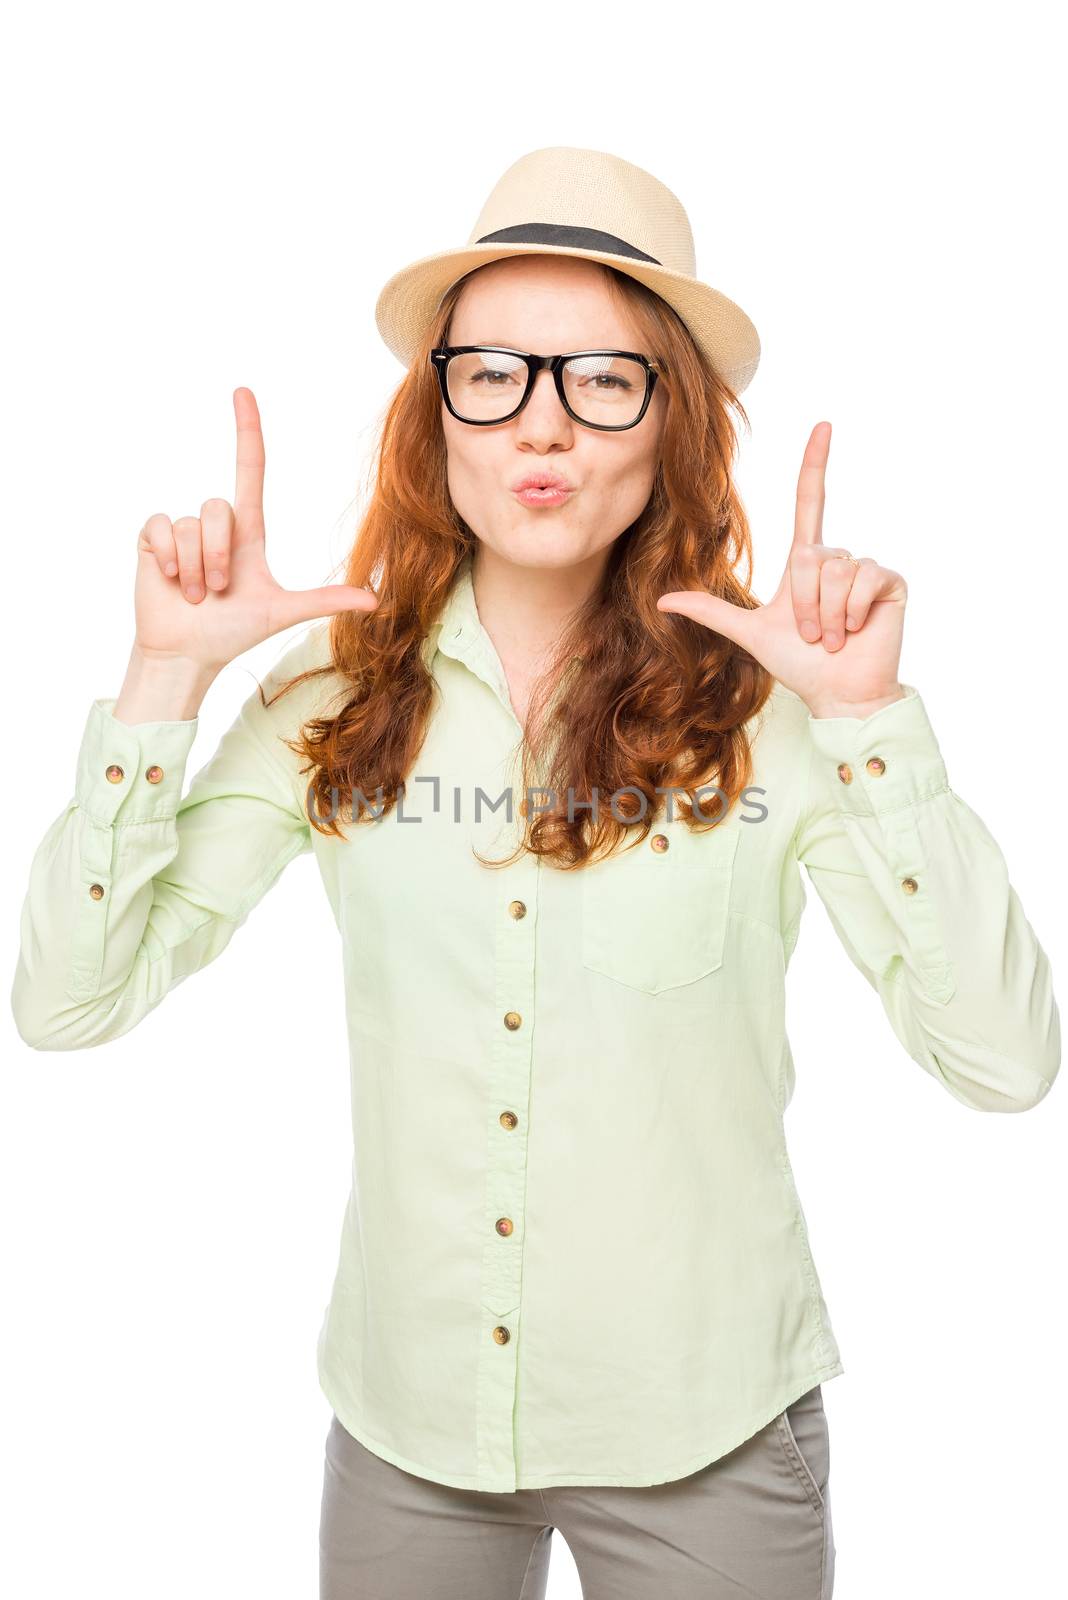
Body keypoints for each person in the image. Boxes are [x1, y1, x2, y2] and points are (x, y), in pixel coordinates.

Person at [11, 146, 1060, 1600]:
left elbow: (1005, 1065)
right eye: (495, 374)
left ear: (672, 421)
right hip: (407, 1433)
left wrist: (870, 719)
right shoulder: (329, 701)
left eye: (603, 378)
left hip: (705, 1430)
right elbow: (67, 1006)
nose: (543, 426)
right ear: (436, 410)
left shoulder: (774, 711)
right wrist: (162, 678)